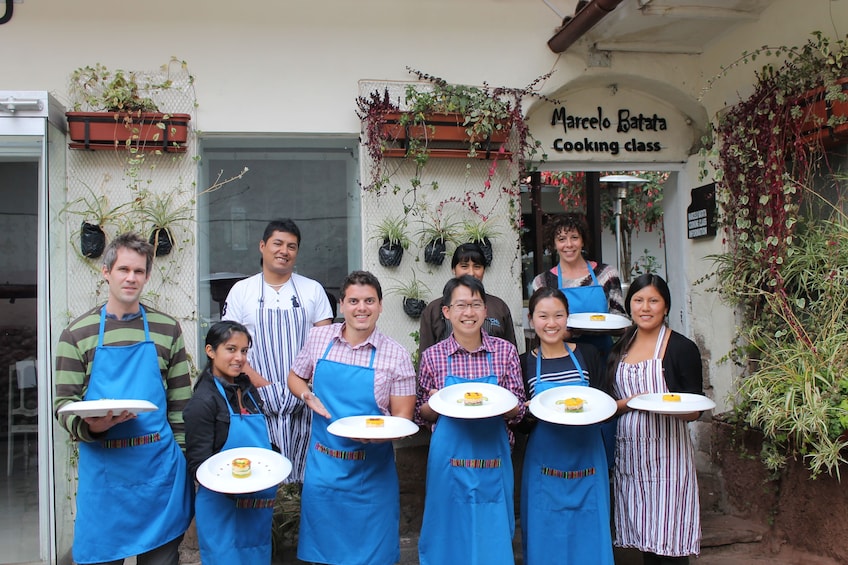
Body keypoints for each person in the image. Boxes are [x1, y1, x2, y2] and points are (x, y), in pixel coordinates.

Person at [54, 232, 193, 565]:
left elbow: (180, 406)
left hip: (158, 472)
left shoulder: (167, 329)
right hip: (106, 474)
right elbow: (63, 405)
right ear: (106, 272)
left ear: (146, 276)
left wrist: (186, 462)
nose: (131, 278)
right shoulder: (78, 334)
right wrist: (94, 427)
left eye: (139, 271)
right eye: (123, 270)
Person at [287, 270, 416, 565]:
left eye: (370, 300)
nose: (362, 308)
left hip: (371, 475)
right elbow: (295, 377)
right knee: (324, 555)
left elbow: (404, 418)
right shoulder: (320, 338)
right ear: (342, 305)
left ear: (380, 305)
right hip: (324, 469)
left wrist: (380, 434)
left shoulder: (395, 355)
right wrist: (306, 395)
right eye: (354, 300)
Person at [416, 275, 526, 565]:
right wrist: (434, 403)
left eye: (476, 304)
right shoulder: (432, 357)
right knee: (446, 531)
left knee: (493, 533)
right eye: (461, 305)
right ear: (447, 311)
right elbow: (421, 413)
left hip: (493, 460)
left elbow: (520, 411)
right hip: (448, 464)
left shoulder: (505, 352)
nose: (469, 312)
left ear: (485, 310)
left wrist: (504, 402)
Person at [223, 218, 333, 483]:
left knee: (306, 478)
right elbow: (231, 347)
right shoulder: (242, 291)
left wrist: (303, 386)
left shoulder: (312, 290)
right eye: (278, 243)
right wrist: (261, 384)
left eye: (292, 246)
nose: (284, 251)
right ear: (262, 246)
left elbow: (325, 344)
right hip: (255, 394)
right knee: (263, 474)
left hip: (305, 396)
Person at [605, 274, 704, 564]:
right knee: (647, 540)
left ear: (666, 307)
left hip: (668, 459)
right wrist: (631, 403)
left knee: (670, 539)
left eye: (653, 301)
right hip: (632, 457)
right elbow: (610, 405)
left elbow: (695, 408)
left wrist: (661, 406)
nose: (645, 308)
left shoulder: (682, 349)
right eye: (638, 300)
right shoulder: (618, 349)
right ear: (629, 306)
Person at [517, 287, 613, 565]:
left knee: (590, 531)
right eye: (543, 316)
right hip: (544, 460)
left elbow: (603, 404)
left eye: (558, 315)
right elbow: (522, 425)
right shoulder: (524, 363)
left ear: (567, 318)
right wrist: (525, 413)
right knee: (546, 533)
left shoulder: (589, 354)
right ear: (531, 319)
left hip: (588, 457)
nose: (551, 323)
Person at [184, 321, 276, 565]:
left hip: (257, 506)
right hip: (222, 508)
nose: (239, 358)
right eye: (231, 349)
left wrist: (273, 459)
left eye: (244, 351)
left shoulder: (247, 390)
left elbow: (262, 443)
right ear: (211, 351)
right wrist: (234, 482)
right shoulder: (203, 401)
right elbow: (197, 465)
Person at [531, 212, 625, 356]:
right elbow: (540, 327)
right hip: (561, 359)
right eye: (561, 239)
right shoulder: (543, 282)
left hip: (603, 357)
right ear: (554, 244)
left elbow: (621, 321)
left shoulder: (606, 274)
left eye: (574, 237)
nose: (569, 244)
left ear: (582, 241)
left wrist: (594, 328)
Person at [418, 242, 517, 355]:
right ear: (453, 269)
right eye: (464, 266)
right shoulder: (434, 309)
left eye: (477, 267)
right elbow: (425, 357)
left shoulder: (499, 307)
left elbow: (511, 352)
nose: (471, 272)